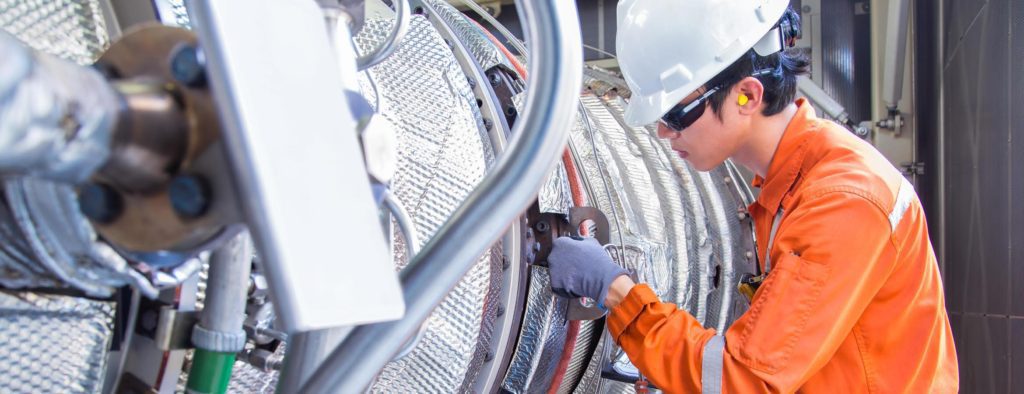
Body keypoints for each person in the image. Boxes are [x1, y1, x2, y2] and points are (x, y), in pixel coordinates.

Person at [546, 1, 959, 392]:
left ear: (747, 94)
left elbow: (743, 380)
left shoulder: (840, 202)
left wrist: (615, 289)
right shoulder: (789, 184)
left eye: (676, 114)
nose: (664, 133)